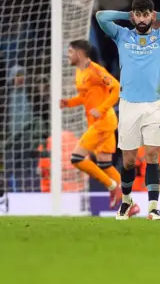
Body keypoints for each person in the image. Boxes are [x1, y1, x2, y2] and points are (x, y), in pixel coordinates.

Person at [96, 0, 160, 220]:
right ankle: (127, 202)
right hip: (128, 104)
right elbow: (101, 16)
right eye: (137, 14)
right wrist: (125, 16)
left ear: (151, 15)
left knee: (152, 155)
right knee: (129, 160)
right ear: (133, 16)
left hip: (155, 104)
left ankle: (153, 207)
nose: (141, 19)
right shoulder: (122, 35)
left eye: (145, 14)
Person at [60, 40, 125, 210]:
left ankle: (112, 186)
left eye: (70, 52)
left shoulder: (96, 70)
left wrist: (101, 108)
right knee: (105, 164)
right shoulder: (79, 72)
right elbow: (85, 97)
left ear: (79, 54)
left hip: (104, 121)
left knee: (76, 158)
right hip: (97, 122)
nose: (68, 55)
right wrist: (69, 103)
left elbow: (117, 88)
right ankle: (130, 204)